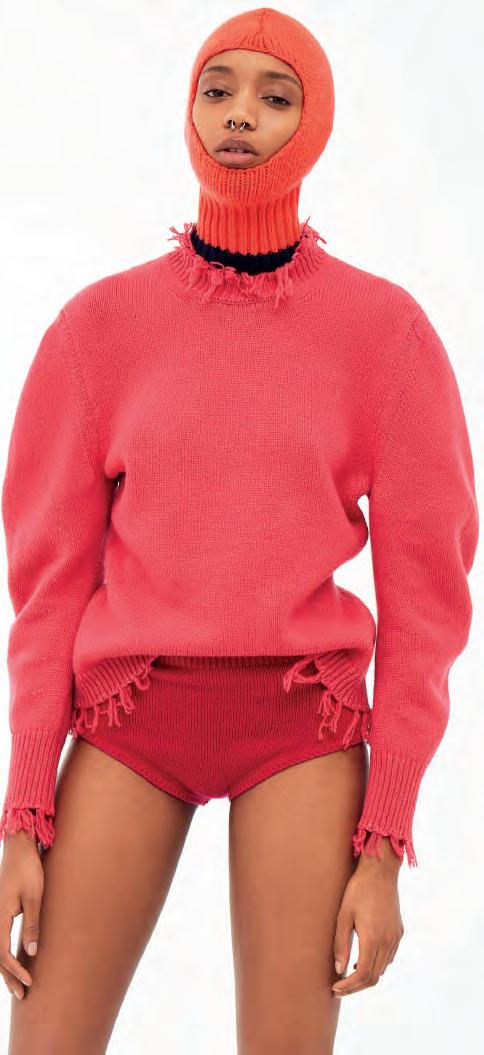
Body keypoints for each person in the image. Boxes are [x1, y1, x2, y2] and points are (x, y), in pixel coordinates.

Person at [0, 6, 478, 1051]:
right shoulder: (97, 330)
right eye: (217, 89)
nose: (239, 115)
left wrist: (385, 839)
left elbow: (428, 605)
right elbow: (46, 588)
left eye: (275, 95)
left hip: (301, 723)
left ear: (316, 125)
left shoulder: (386, 336)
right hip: (131, 713)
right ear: (188, 112)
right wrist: (23, 811)